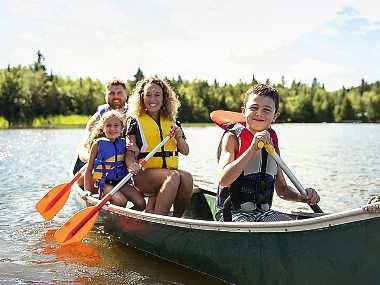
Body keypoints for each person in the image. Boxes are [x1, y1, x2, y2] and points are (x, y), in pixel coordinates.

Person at [216, 83, 320, 222]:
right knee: (250, 229)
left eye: (266, 110)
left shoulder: (272, 145)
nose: (259, 113)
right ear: (243, 111)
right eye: (253, 108)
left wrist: (301, 197)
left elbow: (282, 190)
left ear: (275, 115)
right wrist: (252, 149)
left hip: (263, 214)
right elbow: (224, 179)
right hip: (231, 213)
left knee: (289, 224)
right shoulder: (232, 138)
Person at [126, 77, 193, 217]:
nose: (153, 99)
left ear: (164, 98)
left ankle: (177, 219)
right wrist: (132, 164)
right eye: (148, 95)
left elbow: (185, 151)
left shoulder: (173, 122)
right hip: (144, 175)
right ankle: (159, 219)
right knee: (173, 176)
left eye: (157, 95)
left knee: (187, 178)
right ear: (142, 97)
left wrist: (179, 138)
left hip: (168, 173)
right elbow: (130, 152)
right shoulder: (134, 121)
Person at [84, 110, 145, 210]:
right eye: (108, 126)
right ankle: (116, 219)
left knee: (141, 203)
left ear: (122, 129)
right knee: (121, 201)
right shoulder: (97, 144)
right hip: (104, 184)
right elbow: (89, 168)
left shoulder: (124, 143)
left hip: (121, 182)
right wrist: (87, 190)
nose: (112, 129)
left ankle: (127, 219)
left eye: (116, 125)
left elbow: (132, 159)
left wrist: (137, 151)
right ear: (103, 129)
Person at [75, 79, 129, 186]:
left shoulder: (133, 114)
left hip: (122, 164)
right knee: (81, 181)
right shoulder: (99, 115)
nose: (116, 96)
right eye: (111, 93)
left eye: (119, 93)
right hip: (100, 164)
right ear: (106, 95)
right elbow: (84, 145)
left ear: (126, 95)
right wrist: (89, 158)